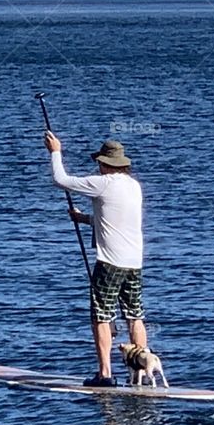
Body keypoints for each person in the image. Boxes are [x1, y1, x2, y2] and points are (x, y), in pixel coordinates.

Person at [44, 131, 148, 387]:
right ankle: (141, 373)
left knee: (101, 316)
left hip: (109, 263)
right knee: (134, 315)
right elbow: (113, 220)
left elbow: (60, 180)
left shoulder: (103, 183)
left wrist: (55, 151)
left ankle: (105, 375)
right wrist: (84, 219)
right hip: (134, 262)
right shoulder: (133, 186)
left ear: (104, 164)